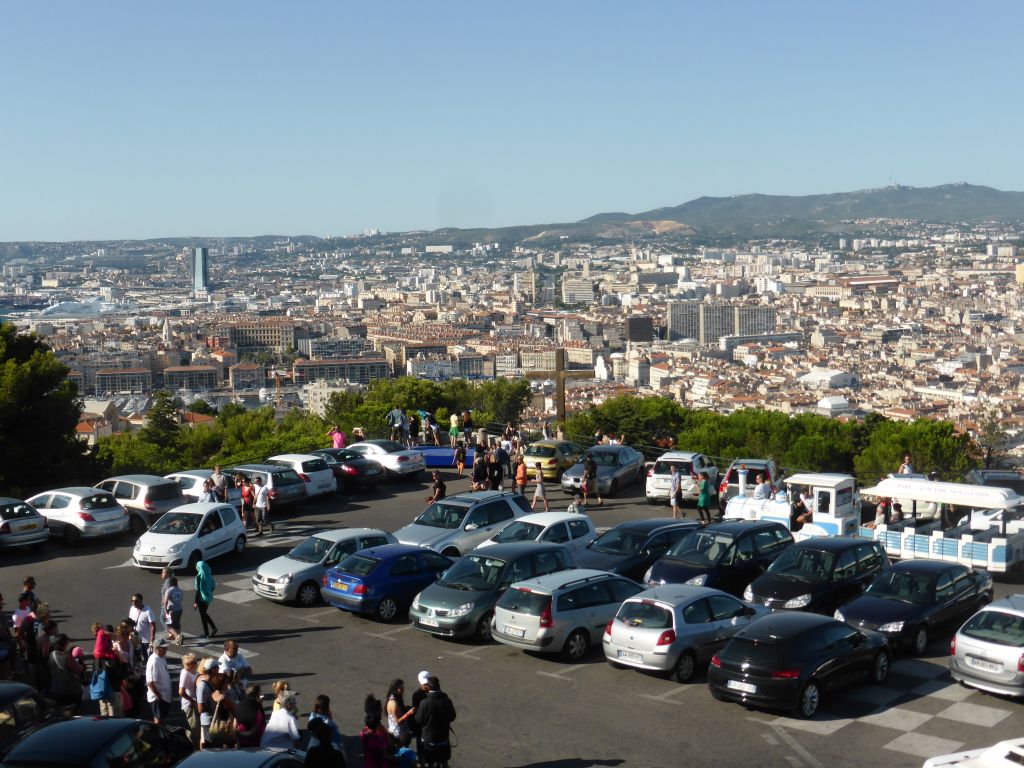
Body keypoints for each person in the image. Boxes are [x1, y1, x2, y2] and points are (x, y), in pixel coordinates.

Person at [415, 676, 456, 768]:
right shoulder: (446, 700)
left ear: (428, 687)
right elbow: (452, 717)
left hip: (429, 740)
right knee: (444, 762)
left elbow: (418, 720)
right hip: (443, 738)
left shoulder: (424, 703)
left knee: (431, 763)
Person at [46, 634, 83, 712]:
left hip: (55, 689)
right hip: (70, 691)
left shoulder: (52, 654)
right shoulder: (67, 656)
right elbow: (78, 670)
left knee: (60, 713)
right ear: (65, 644)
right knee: (73, 712)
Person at [146, 638, 172, 724]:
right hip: (158, 698)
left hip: (163, 696)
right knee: (158, 720)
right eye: (164, 648)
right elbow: (150, 682)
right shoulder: (154, 661)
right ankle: (158, 735)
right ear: (158, 648)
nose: (166, 649)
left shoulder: (161, 658)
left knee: (162, 719)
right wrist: (158, 696)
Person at [235, 683, 267, 748]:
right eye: (260, 692)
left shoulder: (239, 706)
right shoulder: (256, 708)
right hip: (256, 744)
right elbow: (256, 728)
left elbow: (235, 725)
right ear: (257, 694)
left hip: (241, 743)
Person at [178, 653, 200, 748]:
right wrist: (192, 701)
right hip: (190, 705)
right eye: (194, 662)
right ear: (190, 664)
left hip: (196, 702)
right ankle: (195, 748)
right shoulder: (185, 673)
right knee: (195, 728)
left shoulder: (194, 671)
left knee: (198, 727)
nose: (197, 663)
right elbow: (181, 692)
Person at [410, 671, 431, 763]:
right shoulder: (417, 695)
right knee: (420, 744)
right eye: (424, 684)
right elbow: (417, 711)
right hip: (421, 725)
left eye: (427, 683)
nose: (426, 685)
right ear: (420, 683)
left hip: (430, 725)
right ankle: (422, 761)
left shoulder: (433, 692)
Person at [386, 678, 415, 745]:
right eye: (401, 688)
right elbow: (397, 721)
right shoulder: (393, 703)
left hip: (400, 730)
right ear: (395, 689)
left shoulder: (397, 697)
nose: (403, 690)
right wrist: (409, 713)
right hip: (397, 733)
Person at [194, 560, 218, 639]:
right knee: (204, 614)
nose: (196, 567)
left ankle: (207, 633)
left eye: (197, 566)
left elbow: (198, 590)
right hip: (208, 598)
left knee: (203, 616)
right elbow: (213, 586)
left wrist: (195, 602)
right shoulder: (209, 575)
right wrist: (208, 593)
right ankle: (213, 628)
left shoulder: (199, 577)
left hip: (201, 599)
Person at [162, 577, 183, 644]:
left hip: (171, 610)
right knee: (177, 624)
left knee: (169, 626)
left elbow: (165, 601)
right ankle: (179, 640)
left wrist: (165, 610)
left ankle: (177, 636)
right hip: (179, 609)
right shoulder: (180, 590)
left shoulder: (169, 590)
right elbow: (181, 599)